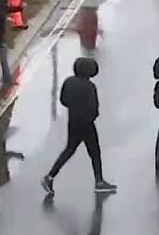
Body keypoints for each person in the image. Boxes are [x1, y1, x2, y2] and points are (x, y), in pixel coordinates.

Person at [42, 58, 117, 196]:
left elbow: (63, 100)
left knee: (69, 149)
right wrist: (92, 116)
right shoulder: (89, 86)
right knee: (95, 152)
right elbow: (94, 107)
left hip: (73, 121)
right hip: (86, 124)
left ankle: (50, 176)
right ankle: (99, 181)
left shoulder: (69, 82)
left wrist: (74, 107)